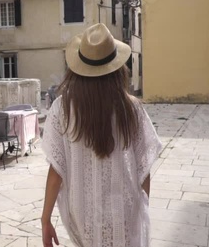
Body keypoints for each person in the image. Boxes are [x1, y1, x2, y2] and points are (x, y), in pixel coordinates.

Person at [41, 23, 162, 247]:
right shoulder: (131, 107)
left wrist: (45, 218)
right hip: (124, 213)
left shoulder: (62, 109)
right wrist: (140, 208)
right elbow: (144, 168)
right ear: (117, 68)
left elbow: (56, 171)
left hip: (83, 214)